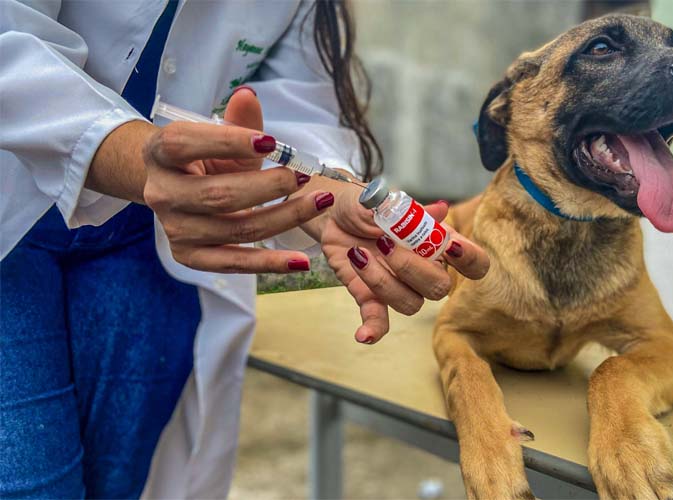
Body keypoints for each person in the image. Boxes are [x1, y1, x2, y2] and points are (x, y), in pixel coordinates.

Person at [0, 1, 489, 498]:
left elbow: (298, 102)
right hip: (12, 211)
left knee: (120, 482)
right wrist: (131, 153)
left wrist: (324, 192)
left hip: (149, 239)